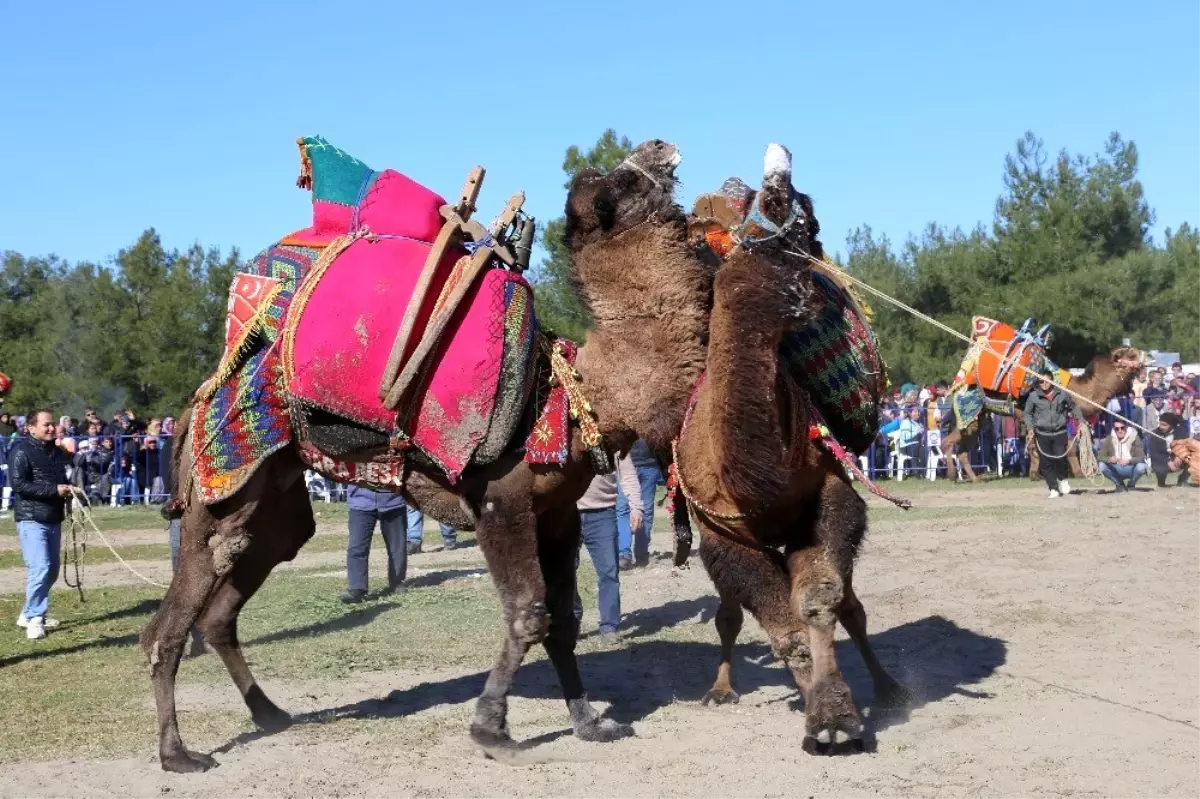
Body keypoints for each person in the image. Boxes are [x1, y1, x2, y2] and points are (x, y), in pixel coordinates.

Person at [7, 410, 72, 640]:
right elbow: (19, 485)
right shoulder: (20, 451)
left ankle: (27, 613)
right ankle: (35, 618)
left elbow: (60, 478)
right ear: (31, 428)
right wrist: (54, 490)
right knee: (41, 568)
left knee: (51, 572)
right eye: (46, 425)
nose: (51, 428)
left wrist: (69, 489)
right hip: (31, 518)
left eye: (53, 424)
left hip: (53, 517)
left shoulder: (54, 451)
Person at [575, 454, 642, 647]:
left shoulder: (612, 431)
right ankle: (572, 619)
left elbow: (627, 473)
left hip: (603, 513)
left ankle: (609, 626)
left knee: (609, 573)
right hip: (566, 512)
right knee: (565, 572)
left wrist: (637, 507)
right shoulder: (565, 428)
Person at [342, 485, 411, 603]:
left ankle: (397, 582)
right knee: (357, 546)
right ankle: (356, 588)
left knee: (397, 545)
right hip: (360, 500)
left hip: (393, 499)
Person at [1024, 372, 1075, 499]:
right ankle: (1053, 488)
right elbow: (1027, 413)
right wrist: (1030, 428)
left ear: (1052, 381)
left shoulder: (1062, 394)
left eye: (1046, 381)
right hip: (1042, 433)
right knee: (1045, 463)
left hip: (1059, 432)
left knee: (1060, 457)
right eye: (1041, 382)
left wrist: (1081, 421)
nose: (1044, 384)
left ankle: (1063, 480)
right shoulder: (1033, 396)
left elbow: (1073, 407)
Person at [616, 438, 660, 570]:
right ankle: (625, 554)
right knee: (623, 509)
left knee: (642, 510)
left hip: (648, 465)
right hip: (625, 463)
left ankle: (639, 554)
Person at [1097, 420, 1147, 492]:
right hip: (1116, 467)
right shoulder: (1109, 438)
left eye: (1122, 428)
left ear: (1126, 427)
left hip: (1131, 467)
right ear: (1114, 429)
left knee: (1141, 467)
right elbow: (1100, 456)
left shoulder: (1135, 437)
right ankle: (1120, 485)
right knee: (1102, 466)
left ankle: (1131, 485)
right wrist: (1109, 459)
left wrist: (1129, 461)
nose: (1120, 431)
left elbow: (1141, 457)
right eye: (1117, 429)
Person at [1147, 412, 1189, 488]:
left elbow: (1186, 446)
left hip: (1179, 459)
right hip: (1163, 461)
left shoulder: (1182, 432)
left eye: (1164, 425)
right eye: (1160, 424)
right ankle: (1161, 483)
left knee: (1194, 459)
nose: (1161, 427)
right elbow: (1153, 453)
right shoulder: (1155, 434)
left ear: (1172, 425)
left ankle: (1182, 479)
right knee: (1159, 467)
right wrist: (1167, 461)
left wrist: (1180, 456)